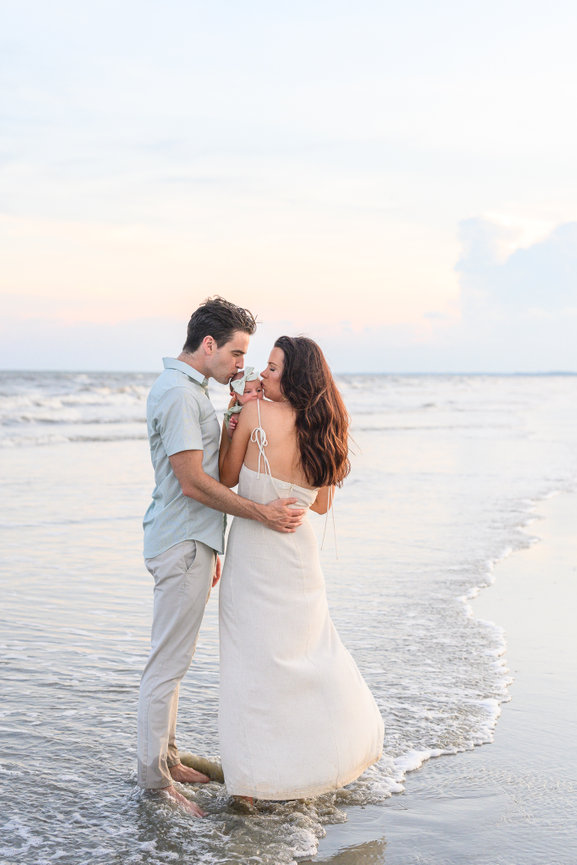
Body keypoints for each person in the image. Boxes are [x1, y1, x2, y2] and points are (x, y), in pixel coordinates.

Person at [137, 298, 305, 816]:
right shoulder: (178, 395)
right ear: (208, 345)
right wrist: (260, 513)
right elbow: (192, 483)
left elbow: (207, 465)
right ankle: (155, 781)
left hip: (193, 541)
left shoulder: (191, 391)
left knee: (175, 662)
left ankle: (165, 758)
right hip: (182, 539)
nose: (241, 365)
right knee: (167, 665)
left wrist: (234, 410)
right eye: (236, 353)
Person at [218, 336, 384, 800]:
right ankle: (316, 763)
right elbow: (323, 504)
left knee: (248, 670)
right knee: (307, 660)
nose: (262, 374)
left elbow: (227, 478)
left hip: (254, 556)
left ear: (294, 378)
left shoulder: (254, 415)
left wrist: (235, 419)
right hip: (300, 562)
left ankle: (250, 786)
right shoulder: (326, 428)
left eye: (272, 369)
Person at [223, 367, 263, 431]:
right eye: (248, 392)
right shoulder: (237, 414)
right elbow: (232, 437)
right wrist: (232, 428)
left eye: (259, 390)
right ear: (235, 396)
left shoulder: (265, 406)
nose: (255, 394)